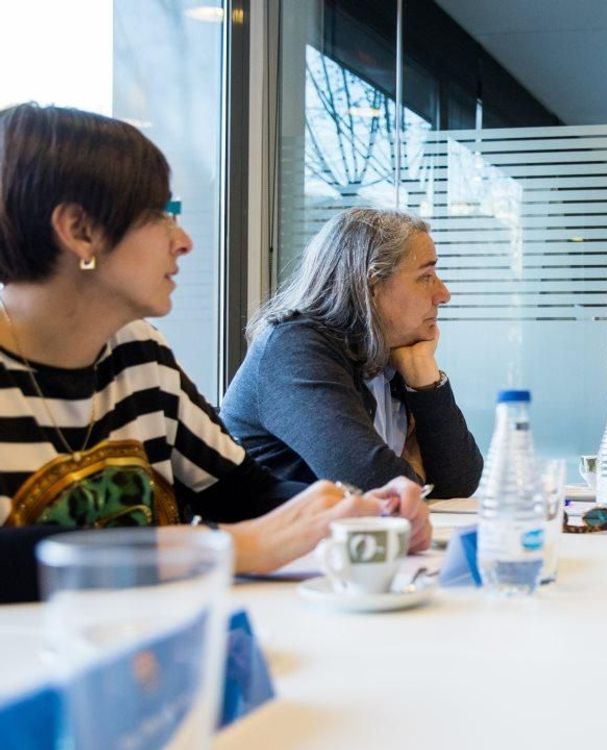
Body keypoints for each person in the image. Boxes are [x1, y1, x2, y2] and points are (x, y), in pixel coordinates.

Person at [0, 103, 430, 603]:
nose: (183, 242)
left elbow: (243, 493)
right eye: (162, 215)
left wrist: (357, 510)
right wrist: (221, 548)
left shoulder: (139, 355)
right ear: (79, 230)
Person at [222, 208, 483, 499]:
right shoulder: (294, 347)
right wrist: (413, 470)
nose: (443, 294)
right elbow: (372, 483)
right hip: (267, 542)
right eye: (426, 276)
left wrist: (424, 379)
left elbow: (460, 481)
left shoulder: (393, 352)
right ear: (372, 285)